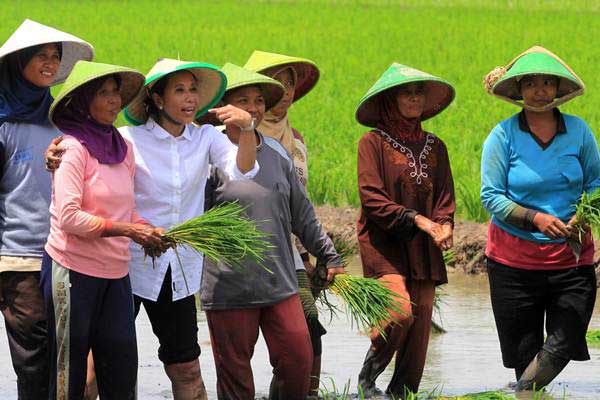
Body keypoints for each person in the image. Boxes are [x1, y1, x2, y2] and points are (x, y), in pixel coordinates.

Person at [199, 63, 345, 400]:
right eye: (243, 100)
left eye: (259, 100)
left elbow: (301, 212)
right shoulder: (207, 152)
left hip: (279, 279)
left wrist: (328, 254)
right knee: (236, 375)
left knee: (297, 358)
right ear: (223, 106)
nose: (253, 108)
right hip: (229, 284)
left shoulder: (277, 152)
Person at [42, 60, 163, 399]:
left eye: (116, 94)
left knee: (121, 366)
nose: (114, 101)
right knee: (69, 373)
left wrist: (147, 230)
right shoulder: (70, 149)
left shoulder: (122, 149)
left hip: (115, 274)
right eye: (104, 94)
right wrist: (127, 230)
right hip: (72, 271)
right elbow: (69, 217)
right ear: (82, 101)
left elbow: (128, 208)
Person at [481, 46, 599, 391]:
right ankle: (527, 391)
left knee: (565, 338)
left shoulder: (578, 132)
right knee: (524, 354)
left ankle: (521, 394)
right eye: (531, 83)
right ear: (518, 90)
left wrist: (582, 213)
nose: (540, 91)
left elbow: (596, 183)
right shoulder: (503, 136)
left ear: (559, 90)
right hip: (512, 263)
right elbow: (491, 196)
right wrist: (535, 218)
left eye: (548, 83)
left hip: (571, 260)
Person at [0, 19, 93, 399]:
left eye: (55, 56)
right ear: (18, 62)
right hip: (19, 258)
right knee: (34, 363)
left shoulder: (62, 121)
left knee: (65, 356)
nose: (51, 63)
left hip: (65, 256)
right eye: (42, 55)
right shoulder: (3, 125)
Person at [355, 63, 456, 398]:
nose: (414, 99)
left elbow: (444, 196)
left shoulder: (436, 146)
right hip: (384, 243)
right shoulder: (372, 143)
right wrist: (419, 220)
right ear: (389, 99)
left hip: (424, 246)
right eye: (406, 92)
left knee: (422, 318)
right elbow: (372, 199)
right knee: (399, 313)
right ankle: (368, 377)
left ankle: (403, 392)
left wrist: (444, 224)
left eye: (418, 93)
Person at [244, 50, 327, 397]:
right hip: (248, 254)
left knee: (309, 333)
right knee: (241, 344)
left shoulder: (298, 139)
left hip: (290, 254)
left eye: (290, 81)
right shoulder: (234, 137)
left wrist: (313, 254)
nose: (287, 89)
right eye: (277, 81)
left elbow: (301, 203)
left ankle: (305, 394)